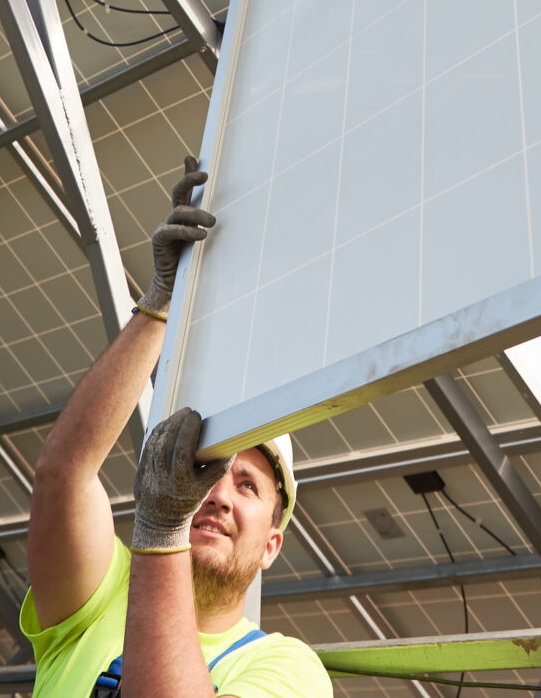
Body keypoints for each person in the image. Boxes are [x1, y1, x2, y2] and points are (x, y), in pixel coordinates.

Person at [24, 157, 326, 698]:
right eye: (208, 470)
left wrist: (162, 531)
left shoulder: (287, 669)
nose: (219, 495)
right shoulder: (103, 594)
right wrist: (161, 304)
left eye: (248, 485)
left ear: (272, 546)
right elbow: (62, 475)